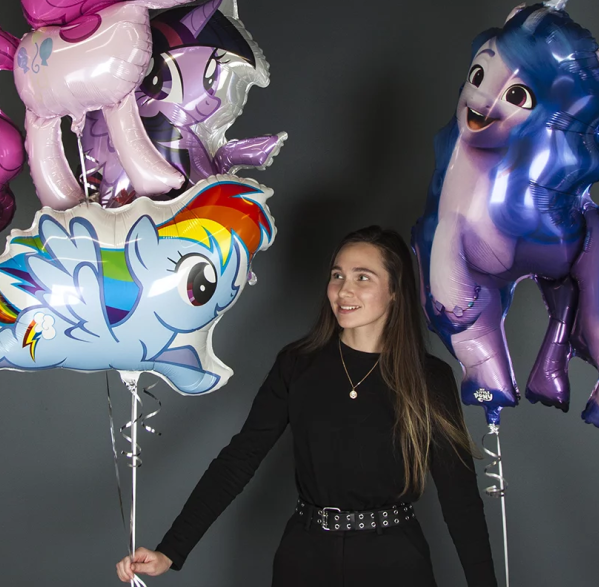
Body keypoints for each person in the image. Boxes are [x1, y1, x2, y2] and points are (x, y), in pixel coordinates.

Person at [116, 226, 498, 586]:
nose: (344, 290)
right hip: (305, 559)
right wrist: (171, 550)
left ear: (395, 290)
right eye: (337, 275)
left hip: (395, 562)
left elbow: (460, 499)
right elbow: (239, 459)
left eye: (362, 277)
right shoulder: (297, 364)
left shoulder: (428, 378)